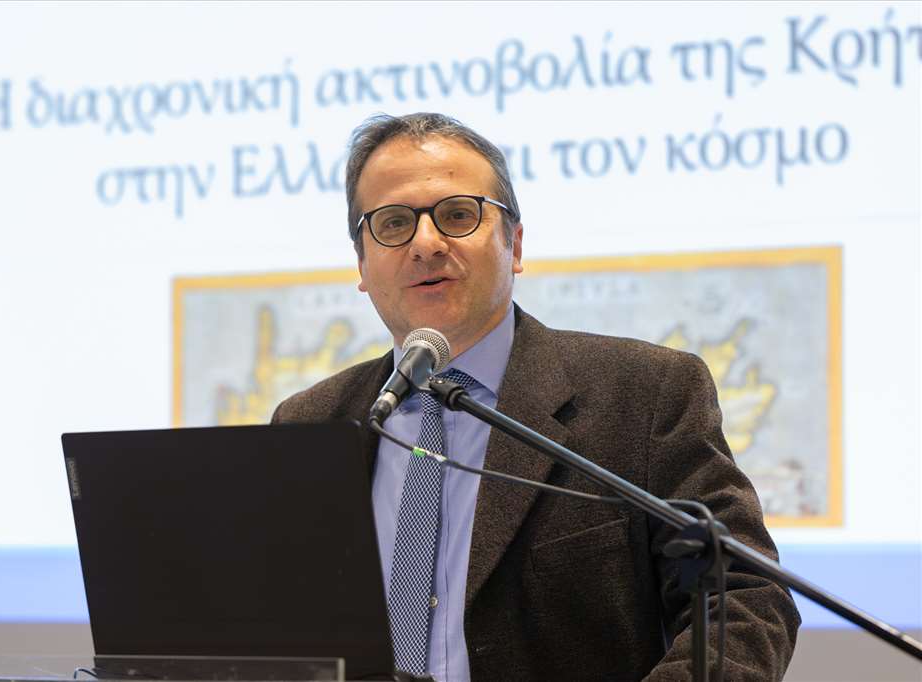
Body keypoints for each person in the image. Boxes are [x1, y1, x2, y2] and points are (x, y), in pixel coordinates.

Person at [272, 112, 800, 681]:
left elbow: (745, 597)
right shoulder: (310, 423)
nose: (425, 244)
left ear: (515, 244)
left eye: (457, 215)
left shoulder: (643, 394)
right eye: (394, 223)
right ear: (361, 263)